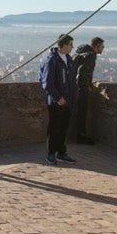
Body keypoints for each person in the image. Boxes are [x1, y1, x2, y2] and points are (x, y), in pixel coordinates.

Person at [40, 35, 78, 165]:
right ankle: (51, 153)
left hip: (68, 100)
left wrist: (73, 97)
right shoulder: (52, 61)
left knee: (64, 128)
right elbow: (47, 83)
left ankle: (62, 152)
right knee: (54, 128)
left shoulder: (68, 59)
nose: (72, 47)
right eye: (70, 44)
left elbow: (71, 81)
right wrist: (58, 97)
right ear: (64, 45)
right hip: (56, 101)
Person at [72, 37, 105, 143]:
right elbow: (83, 72)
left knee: (78, 111)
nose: (103, 49)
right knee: (82, 111)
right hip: (82, 88)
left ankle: (78, 135)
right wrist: (86, 86)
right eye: (102, 46)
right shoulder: (90, 55)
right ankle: (81, 135)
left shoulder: (82, 53)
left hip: (75, 86)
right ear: (97, 46)